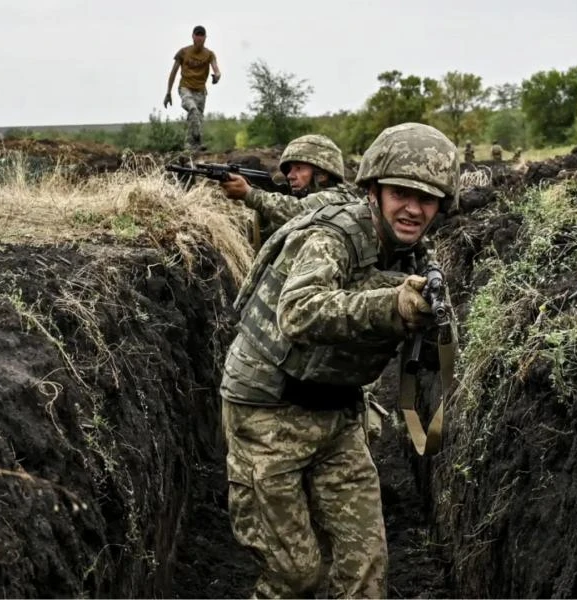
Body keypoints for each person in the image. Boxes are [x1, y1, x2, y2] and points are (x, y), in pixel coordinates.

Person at [219, 122, 459, 598]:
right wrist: (390, 306)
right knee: (296, 576)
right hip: (268, 411)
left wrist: (429, 326)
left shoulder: (414, 255)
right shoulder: (334, 237)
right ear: (374, 190)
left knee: (364, 569)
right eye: (401, 193)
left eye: (427, 198)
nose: (413, 208)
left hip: (337, 413)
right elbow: (298, 311)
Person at [219, 134, 347, 238]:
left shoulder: (337, 199)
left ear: (322, 174)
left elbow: (299, 210)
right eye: (289, 169)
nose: (290, 175)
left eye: (299, 168)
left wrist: (249, 193)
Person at [163, 25, 221, 151]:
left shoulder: (209, 54)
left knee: (196, 120)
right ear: (193, 36)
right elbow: (173, 72)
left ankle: (189, 149)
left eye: (202, 35)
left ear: (205, 38)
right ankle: (199, 141)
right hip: (186, 88)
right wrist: (168, 93)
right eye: (197, 35)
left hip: (200, 91)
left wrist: (217, 77)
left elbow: (216, 69)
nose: (199, 38)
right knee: (193, 110)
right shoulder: (183, 52)